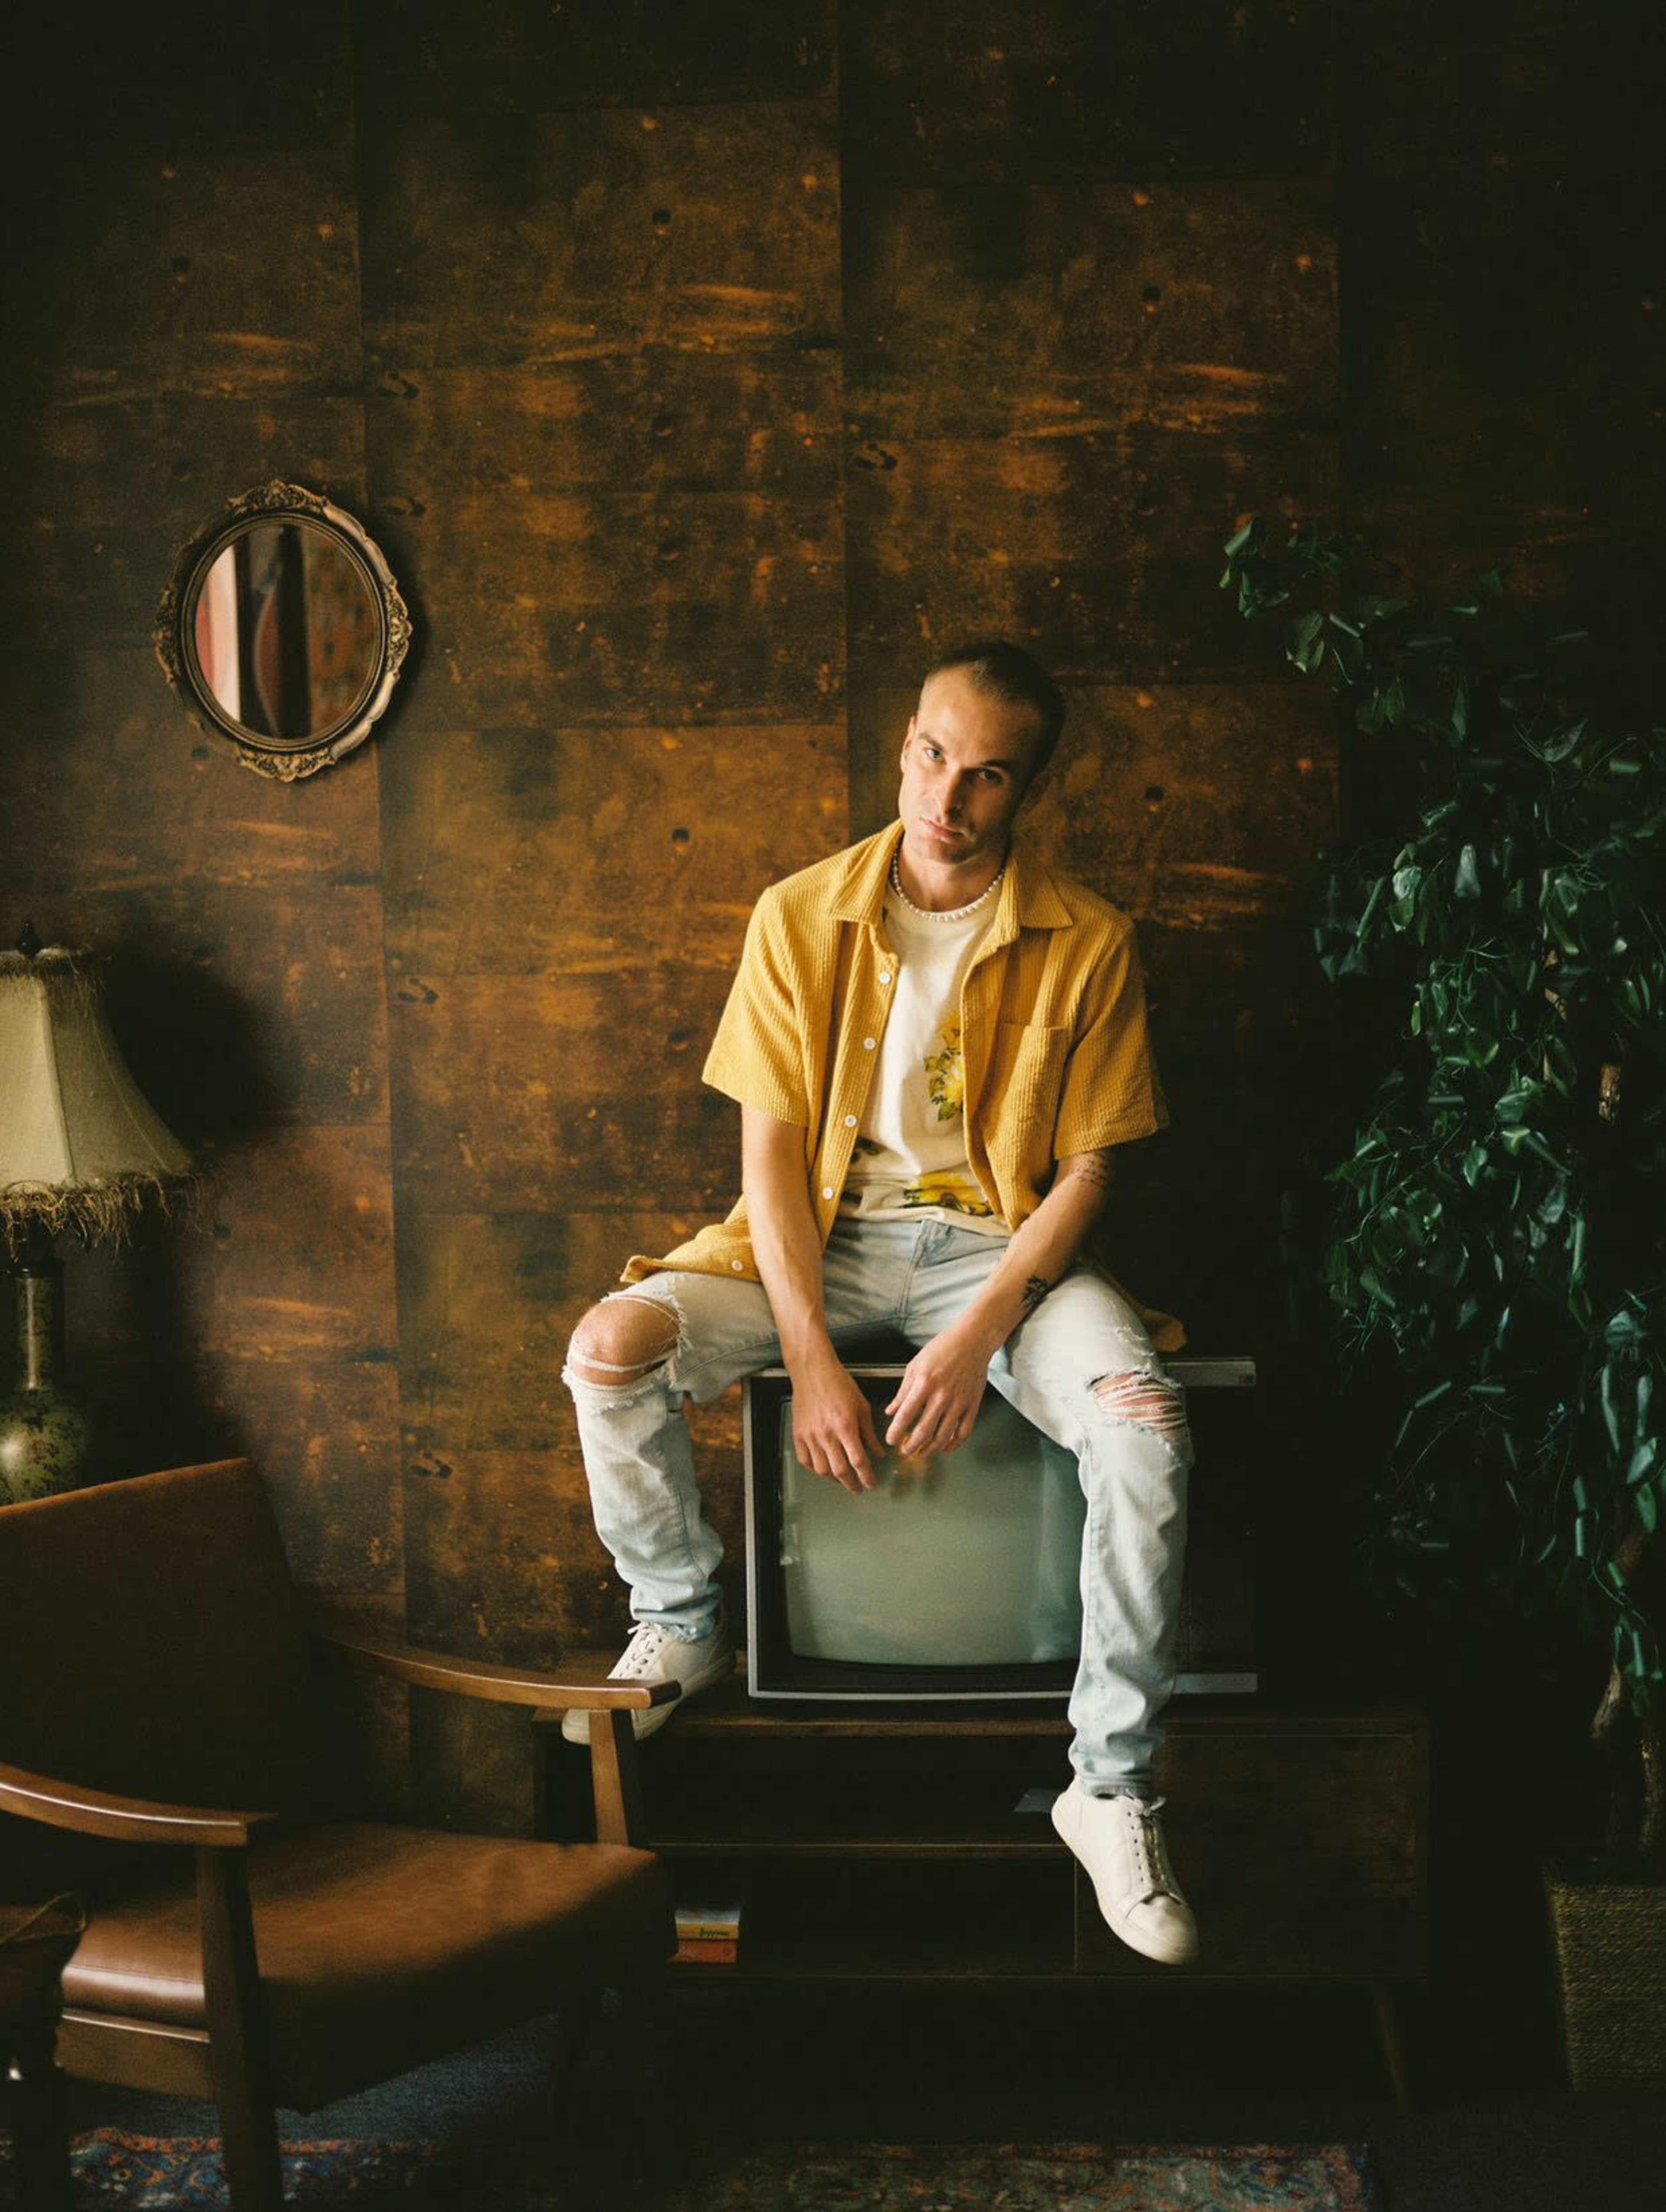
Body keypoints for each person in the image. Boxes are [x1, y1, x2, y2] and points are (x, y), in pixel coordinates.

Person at [561, 640, 1198, 1965]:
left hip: (1001, 1256)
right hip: (824, 1240)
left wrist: (977, 1334)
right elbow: (772, 1161)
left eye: (986, 775)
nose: (946, 797)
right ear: (905, 738)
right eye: (931, 754)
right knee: (609, 1349)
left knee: (1145, 1419)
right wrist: (811, 1347)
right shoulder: (796, 916)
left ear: (1027, 790)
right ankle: (677, 1617)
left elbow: (1092, 1174)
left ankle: (1111, 1783)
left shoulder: (1092, 940)